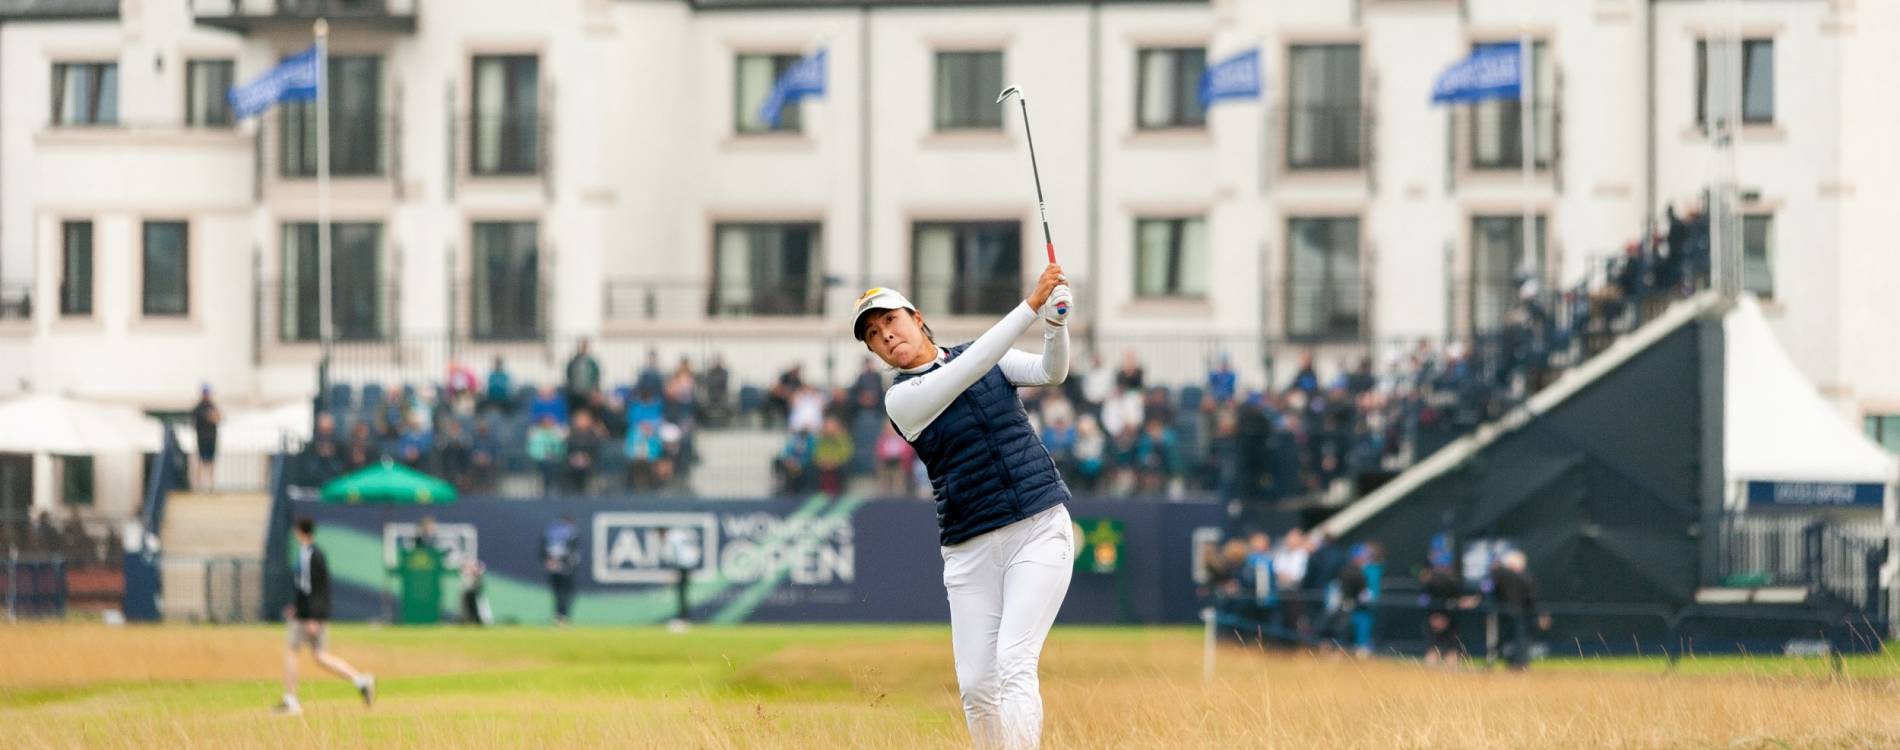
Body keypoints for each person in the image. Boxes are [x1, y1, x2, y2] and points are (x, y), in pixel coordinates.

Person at [851, 261, 1073, 750]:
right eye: (873, 334)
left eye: (890, 320)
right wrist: (1032, 305)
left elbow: (1049, 372)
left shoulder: (981, 354)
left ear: (917, 317)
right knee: (976, 687)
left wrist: (1055, 327)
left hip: (1036, 525)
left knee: (1015, 662)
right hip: (969, 547)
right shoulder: (903, 400)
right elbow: (968, 369)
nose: (885, 335)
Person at [276, 517, 374, 715]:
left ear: (299, 531)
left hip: (309, 616)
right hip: (308, 613)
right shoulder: (311, 553)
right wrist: (297, 606)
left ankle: (291, 699)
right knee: (321, 656)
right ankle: (360, 680)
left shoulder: (311, 555)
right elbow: (308, 588)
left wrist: (313, 616)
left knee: (292, 651)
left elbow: (316, 588)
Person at [1490, 550, 1548, 670]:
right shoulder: (1524, 577)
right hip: (1520, 613)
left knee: (1512, 639)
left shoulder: (1501, 575)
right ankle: (1519, 663)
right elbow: (1533, 597)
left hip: (1507, 612)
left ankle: (1513, 663)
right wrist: (1541, 613)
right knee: (1520, 639)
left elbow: (1488, 584)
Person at [542, 515, 581, 626]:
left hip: (553, 567)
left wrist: (549, 561)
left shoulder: (551, 531)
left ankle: (558, 616)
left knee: (557, 593)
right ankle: (563, 617)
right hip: (566, 568)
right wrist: (563, 563)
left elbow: (543, 548)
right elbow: (572, 551)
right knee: (565, 593)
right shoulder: (571, 532)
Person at [659, 526, 700, 633]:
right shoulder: (677, 534)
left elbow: (676, 554)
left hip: (684, 564)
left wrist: (676, 571)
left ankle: (683, 620)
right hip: (690, 562)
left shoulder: (671, 537)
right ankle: (684, 618)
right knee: (682, 592)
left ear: (662, 533)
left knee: (681, 592)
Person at [814, 416, 854, 498]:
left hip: (838, 464)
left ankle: (839, 493)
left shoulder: (843, 438)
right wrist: (823, 461)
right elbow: (817, 453)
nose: (829, 429)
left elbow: (847, 453)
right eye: (827, 426)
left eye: (831, 426)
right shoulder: (822, 439)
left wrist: (834, 461)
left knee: (843, 469)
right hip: (825, 465)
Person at [191, 385, 221, 491]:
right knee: (201, 462)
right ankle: (199, 485)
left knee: (211, 462)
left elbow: (218, 417)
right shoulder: (199, 408)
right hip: (202, 439)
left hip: (212, 439)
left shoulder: (212, 405)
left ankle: (211, 486)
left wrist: (213, 417)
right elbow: (197, 420)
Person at [564, 338, 601, 416]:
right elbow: (569, 374)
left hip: (587, 392)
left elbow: (596, 376)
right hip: (575, 392)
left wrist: (594, 389)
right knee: (575, 412)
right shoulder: (573, 361)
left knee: (588, 412)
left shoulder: (591, 362)